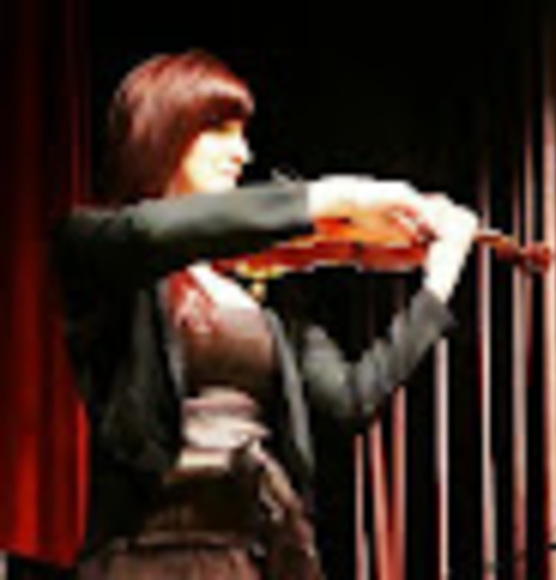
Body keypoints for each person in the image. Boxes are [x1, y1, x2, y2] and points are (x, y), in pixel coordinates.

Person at [52, 49, 478, 579]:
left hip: (256, 557)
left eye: (243, 135)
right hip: (149, 558)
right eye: (219, 130)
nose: (242, 153)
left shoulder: (259, 286)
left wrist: (438, 282)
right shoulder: (95, 243)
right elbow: (150, 232)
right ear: (163, 130)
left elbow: (349, 399)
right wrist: (336, 199)